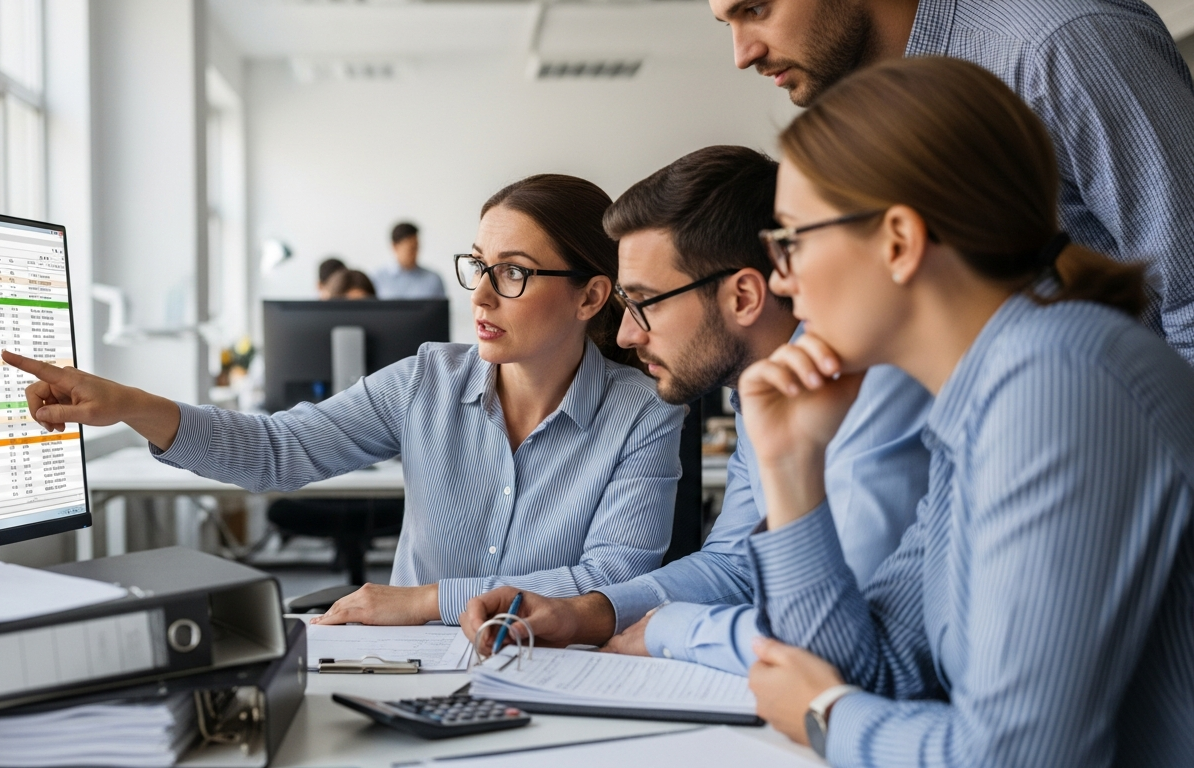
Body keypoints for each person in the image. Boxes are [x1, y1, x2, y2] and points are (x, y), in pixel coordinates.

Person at [737, 57, 1194, 766]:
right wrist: (792, 466)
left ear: (898, 241)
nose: (780, 278)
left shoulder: (1055, 379)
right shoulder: (983, 402)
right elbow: (878, 672)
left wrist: (826, 716)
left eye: (791, 239)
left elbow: (1017, 756)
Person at [3, 174, 685, 626]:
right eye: (479, 265)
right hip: (414, 667)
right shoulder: (426, 382)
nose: (479, 295)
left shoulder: (643, 414)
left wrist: (426, 601)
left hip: (560, 668)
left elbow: (611, 580)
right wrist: (129, 404)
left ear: (590, 296)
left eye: (512, 272)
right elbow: (277, 451)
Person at [463, 147, 932, 674]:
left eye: (645, 302)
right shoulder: (759, 389)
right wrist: (588, 614)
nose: (625, 334)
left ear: (744, 298)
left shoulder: (866, 388)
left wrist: (672, 629)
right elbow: (734, 566)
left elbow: (840, 634)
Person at [710, 0, 1194, 366]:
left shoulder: (1057, 46)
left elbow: (1190, 298)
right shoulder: (872, 115)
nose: (742, 54)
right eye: (726, 24)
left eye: (756, 8)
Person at [372, 222, 446, 299]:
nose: (415, 253)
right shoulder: (378, 278)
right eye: (410, 249)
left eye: (416, 248)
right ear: (395, 246)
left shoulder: (433, 279)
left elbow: (441, 306)